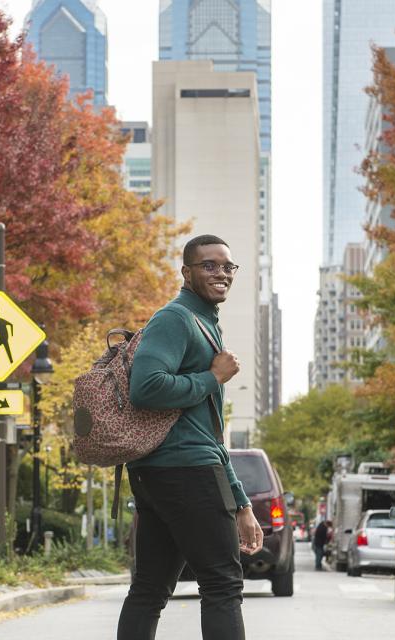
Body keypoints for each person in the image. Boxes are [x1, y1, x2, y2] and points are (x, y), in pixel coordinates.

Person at [117, 235, 263, 640]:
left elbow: (209, 429)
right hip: (186, 470)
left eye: (227, 266)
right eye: (209, 265)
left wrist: (241, 502)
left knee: (150, 588)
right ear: (186, 272)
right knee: (222, 585)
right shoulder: (175, 319)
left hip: (166, 471)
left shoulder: (204, 322)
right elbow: (146, 387)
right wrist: (212, 377)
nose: (221, 273)